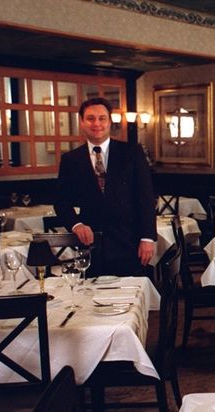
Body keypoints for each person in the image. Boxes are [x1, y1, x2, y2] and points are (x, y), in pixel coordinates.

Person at [54, 97, 156, 277]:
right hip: (90, 246)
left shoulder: (132, 152)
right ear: (82, 122)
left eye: (102, 118)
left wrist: (147, 238)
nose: (97, 124)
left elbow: (146, 198)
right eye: (91, 118)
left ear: (110, 121)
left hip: (130, 242)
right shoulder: (71, 160)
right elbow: (61, 202)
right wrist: (76, 224)